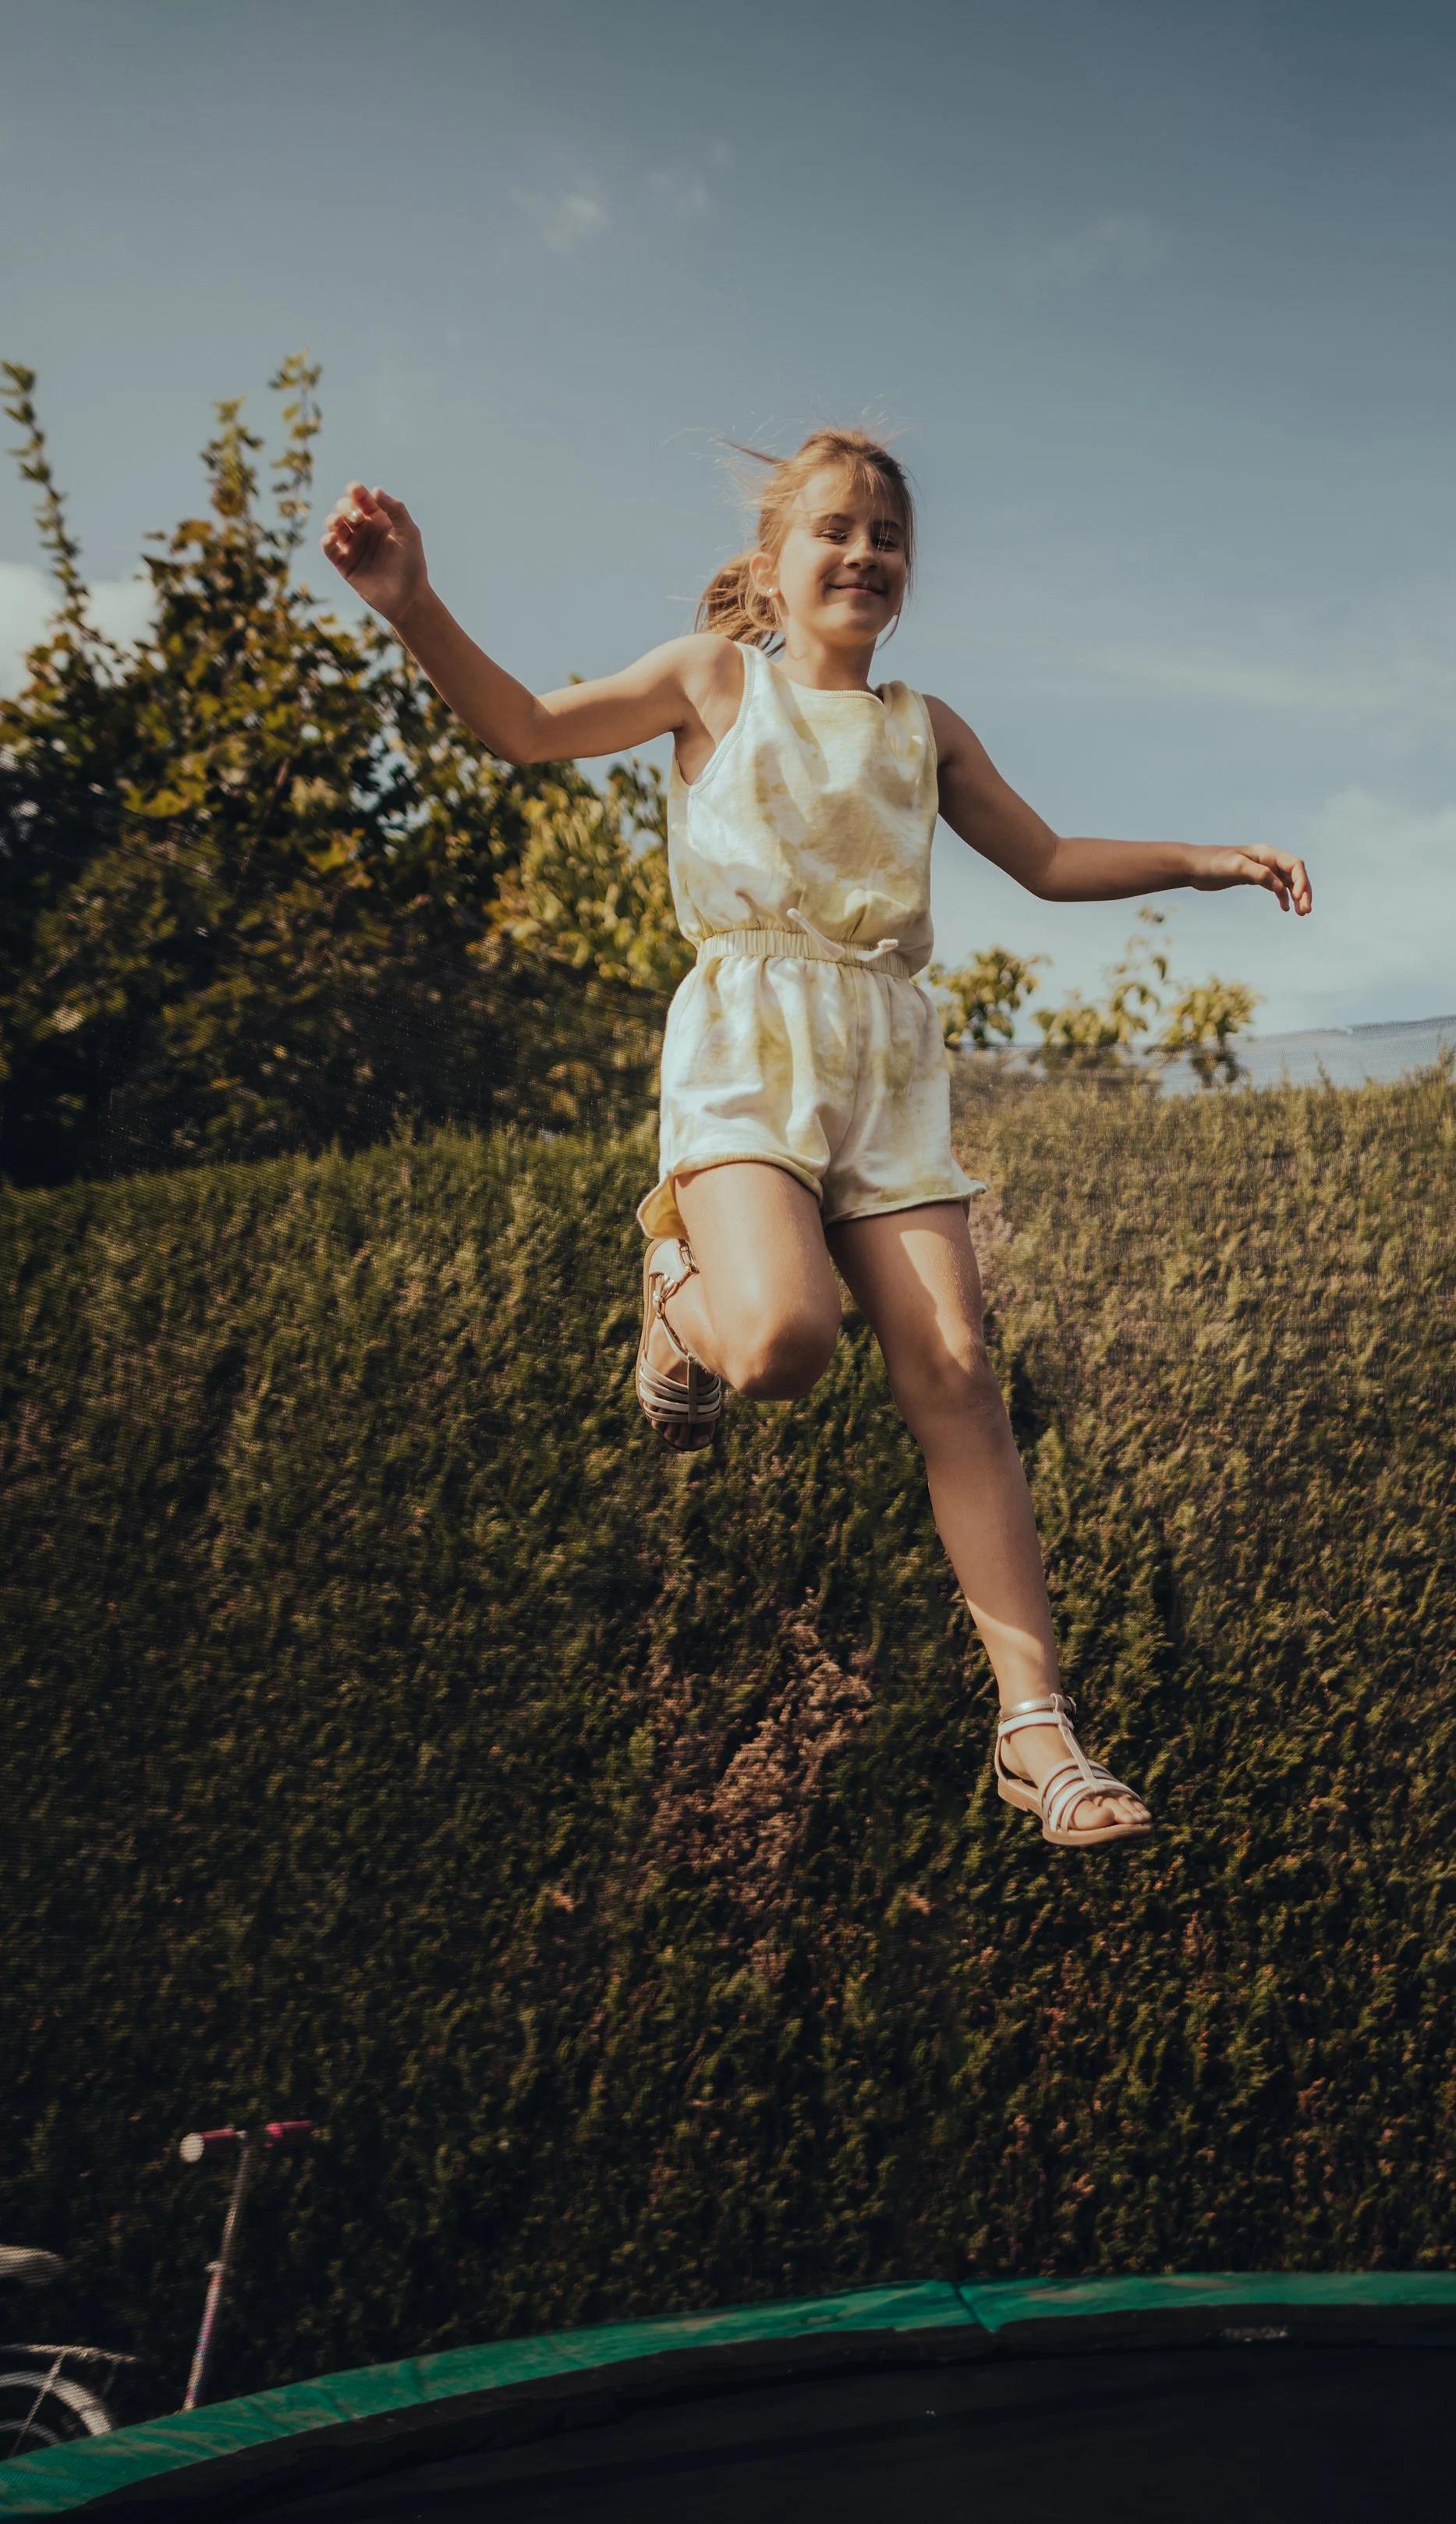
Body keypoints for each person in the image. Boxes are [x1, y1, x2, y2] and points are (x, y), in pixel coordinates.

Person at [321, 427, 1312, 1851]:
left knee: (961, 1373)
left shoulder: (927, 725)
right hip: (744, 1043)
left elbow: (1042, 861)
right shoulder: (713, 682)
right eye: (835, 530)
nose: (864, 554)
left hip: (885, 1062)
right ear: (775, 564)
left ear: (906, 576)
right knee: (782, 1346)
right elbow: (529, 731)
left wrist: (1212, 859)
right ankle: (678, 1303)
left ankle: (1039, 1737)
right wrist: (412, 604)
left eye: (887, 538)